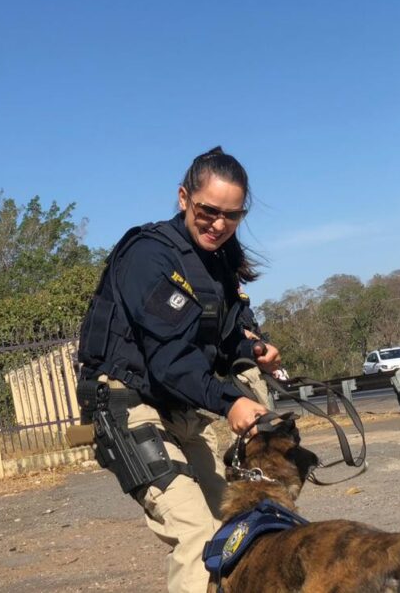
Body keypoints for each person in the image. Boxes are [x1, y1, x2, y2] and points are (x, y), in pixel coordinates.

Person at [75, 146, 280, 592]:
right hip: (131, 409)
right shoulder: (148, 255)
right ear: (184, 197)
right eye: (209, 210)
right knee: (196, 536)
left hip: (182, 411)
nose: (219, 225)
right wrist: (231, 402)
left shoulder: (218, 262)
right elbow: (170, 361)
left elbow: (224, 338)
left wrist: (252, 349)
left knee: (235, 528)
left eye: (233, 215)